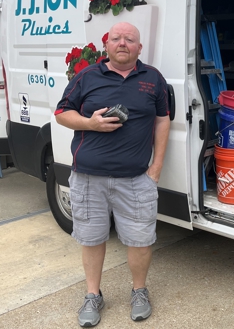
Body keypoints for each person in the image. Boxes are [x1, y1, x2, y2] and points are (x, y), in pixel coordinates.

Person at [55, 22, 170, 327]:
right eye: (116, 38)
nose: (122, 43)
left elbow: (162, 121)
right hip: (88, 176)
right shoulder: (86, 76)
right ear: (106, 44)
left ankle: (139, 291)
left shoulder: (153, 79)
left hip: (135, 179)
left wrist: (156, 167)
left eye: (129, 39)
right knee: (91, 240)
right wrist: (89, 123)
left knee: (141, 240)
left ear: (139, 48)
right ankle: (93, 295)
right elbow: (61, 114)